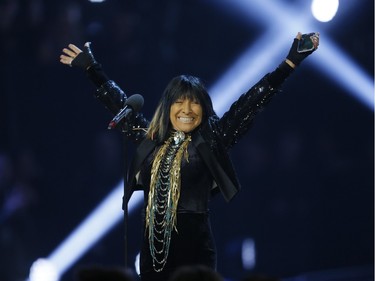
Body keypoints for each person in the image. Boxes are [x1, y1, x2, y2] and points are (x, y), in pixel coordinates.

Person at [59, 32, 319, 281]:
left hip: (195, 253)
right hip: (153, 255)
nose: (186, 109)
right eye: (179, 102)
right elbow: (120, 105)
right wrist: (91, 69)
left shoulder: (211, 142)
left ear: (203, 109)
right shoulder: (150, 141)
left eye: (193, 103)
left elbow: (249, 104)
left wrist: (289, 64)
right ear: (168, 107)